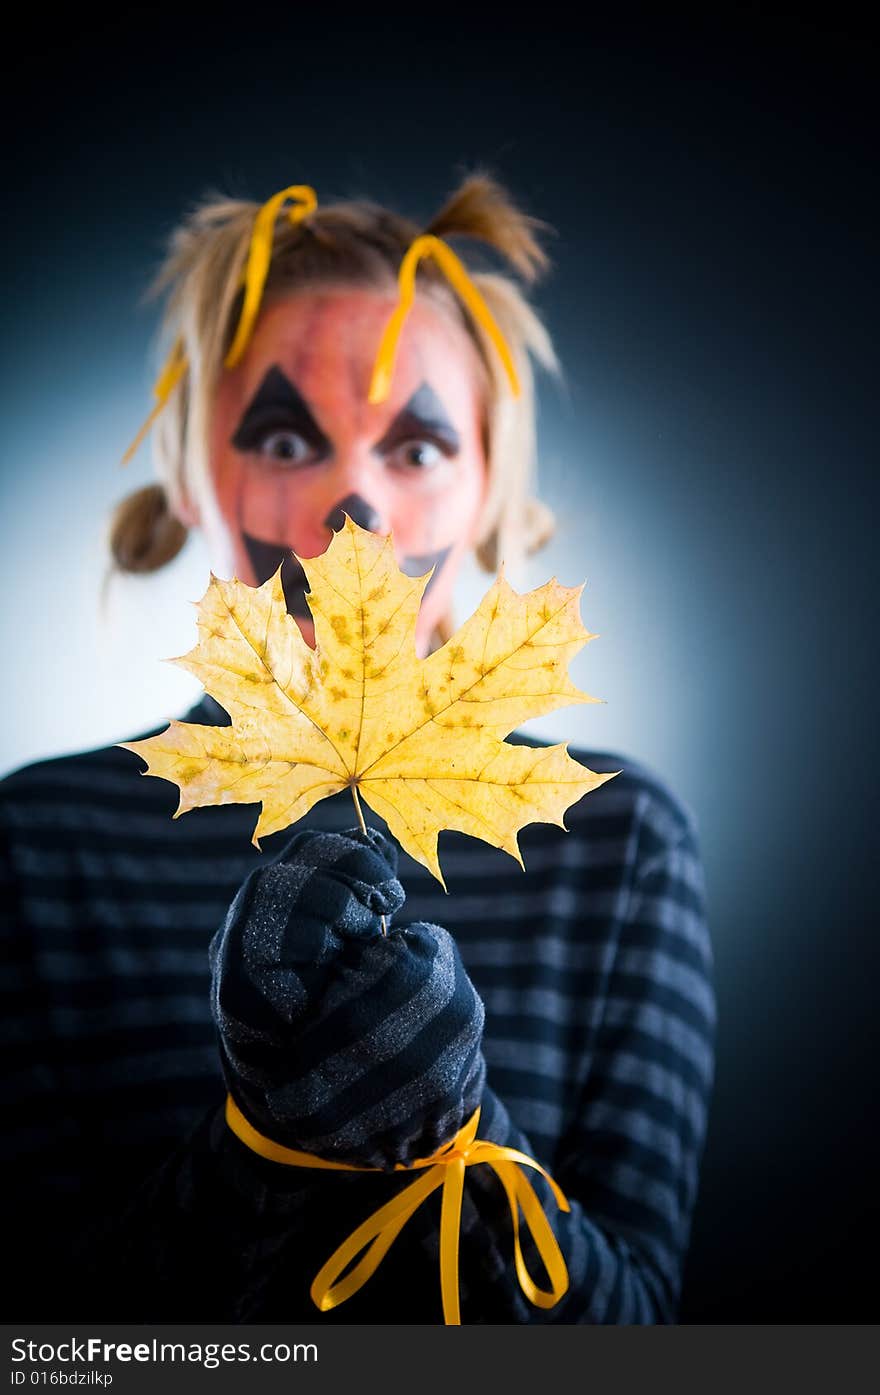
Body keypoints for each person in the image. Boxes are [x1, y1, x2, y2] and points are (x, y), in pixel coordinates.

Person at [0, 173, 716, 1323]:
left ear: (488, 488)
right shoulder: (38, 849)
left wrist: (453, 1125)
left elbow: (639, 1342)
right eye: (285, 436)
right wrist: (262, 1144)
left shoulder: (616, 846)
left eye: (419, 447)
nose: (355, 506)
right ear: (190, 477)